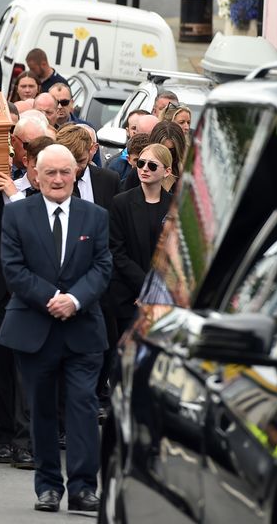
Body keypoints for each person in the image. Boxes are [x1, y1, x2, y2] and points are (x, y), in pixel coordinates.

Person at [0, 143, 112, 514]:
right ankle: (48, 487)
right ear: (36, 175)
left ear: (76, 172)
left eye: (65, 171)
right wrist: (51, 297)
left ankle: (83, 488)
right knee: (41, 410)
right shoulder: (18, 215)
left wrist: (74, 300)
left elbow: (102, 267)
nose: (58, 179)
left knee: (82, 407)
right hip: (34, 327)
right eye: (50, 173)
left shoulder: (94, 216)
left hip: (83, 330)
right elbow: (12, 268)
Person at [102, 142, 172, 404]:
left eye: (152, 165)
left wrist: (154, 291)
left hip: (160, 300)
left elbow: (173, 256)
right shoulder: (121, 202)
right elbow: (116, 251)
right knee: (123, 361)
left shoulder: (174, 206)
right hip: (125, 296)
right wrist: (144, 287)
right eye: (140, 163)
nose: (144, 169)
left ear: (166, 171)